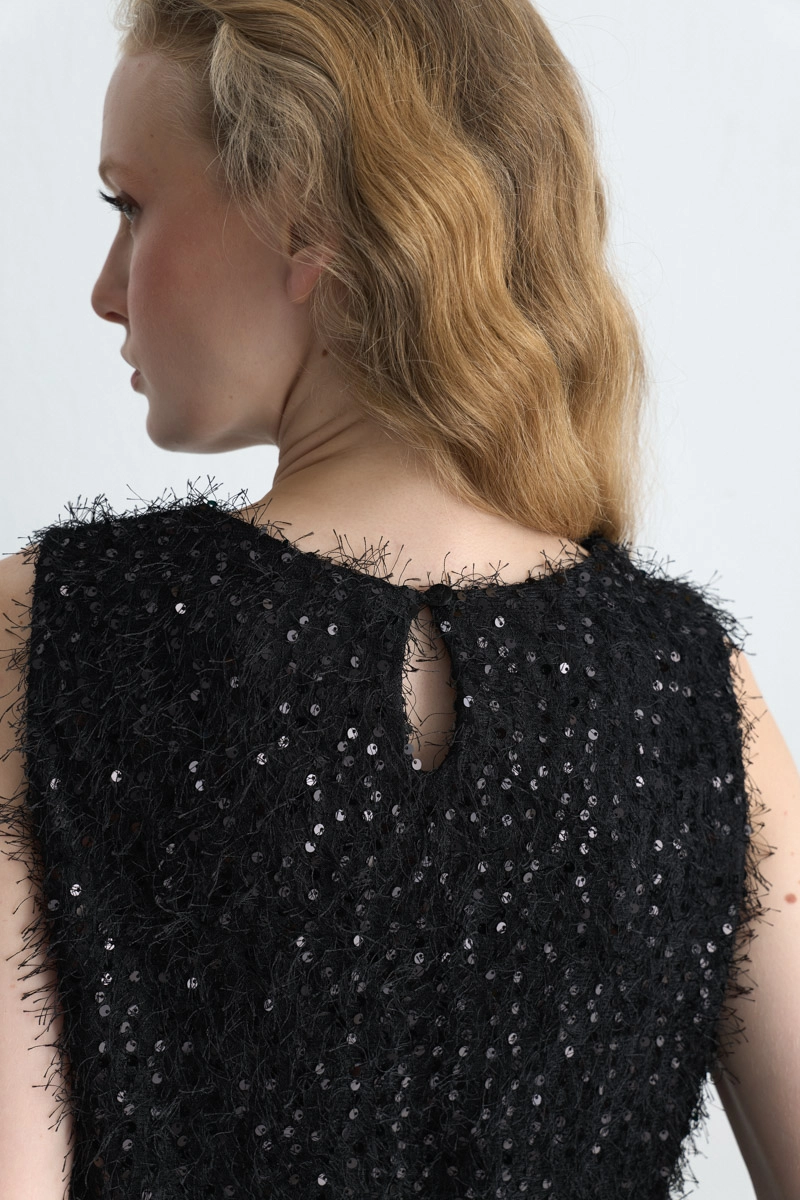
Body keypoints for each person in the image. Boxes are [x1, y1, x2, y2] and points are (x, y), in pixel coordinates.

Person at [0, 3, 797, 1198]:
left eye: (130, 206)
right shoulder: (689, 687)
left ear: (302, 223)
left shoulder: (49, 629)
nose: (105, 292)